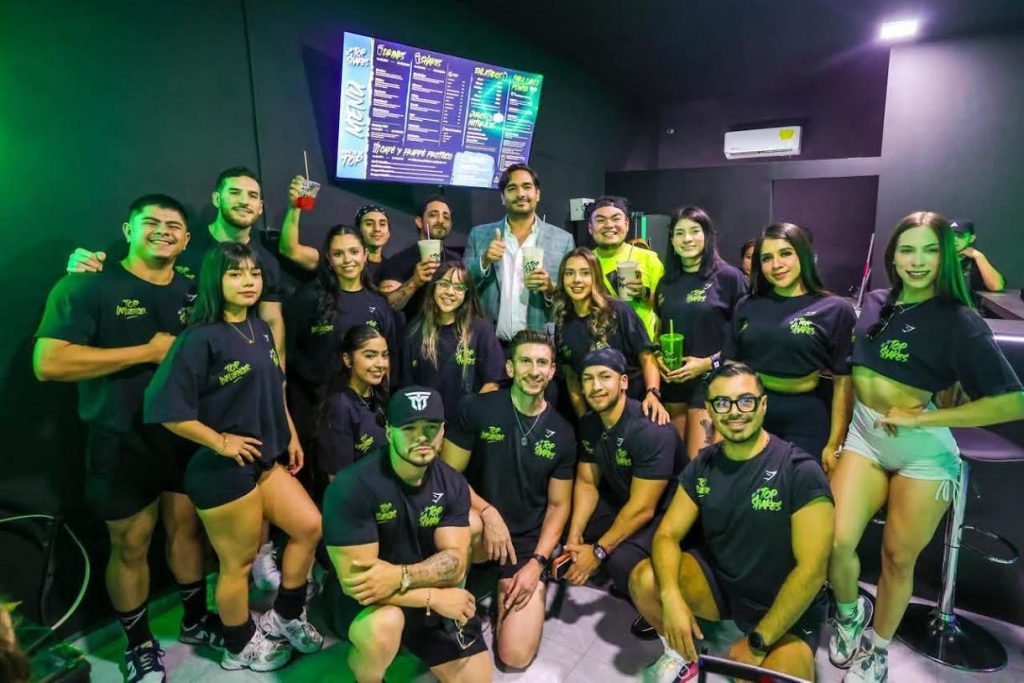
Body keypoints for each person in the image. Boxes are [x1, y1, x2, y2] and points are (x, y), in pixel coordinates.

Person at [827, 212, 1024, 683]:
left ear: (945, 258)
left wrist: (926, 417)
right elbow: (850, 376)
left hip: (921, 450)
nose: (917, 261)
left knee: (898, 558)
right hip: (865, 437)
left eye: (930, 250)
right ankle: (851, 614)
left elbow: (1013, 401)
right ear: (892, 255)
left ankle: (876, 650)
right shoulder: (875, 301)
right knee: (835, 541)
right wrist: (836, 438)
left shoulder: (958, 320)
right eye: (908, 249)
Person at [34, 195, 216, 682]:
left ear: (187, 239)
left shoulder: (195, 290)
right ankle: (139, 645)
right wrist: (145, 352)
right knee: (131, 545)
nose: (163, 231)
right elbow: (48, 363)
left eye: (173, 225)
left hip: (182, 436)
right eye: (150, 222)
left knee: (186, 531)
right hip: (119, 440)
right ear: (128, 230)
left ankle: (196, 620)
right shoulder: (87, 284)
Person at [144, 243, 324, 672]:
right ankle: (238, 644)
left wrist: (290, 434)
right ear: (215, 280)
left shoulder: (259, 328)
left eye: (254, 274)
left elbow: (275, 387)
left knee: (309, 526)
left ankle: (285, 615)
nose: (248, 282)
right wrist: (220, 441)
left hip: (264, 461)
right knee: (237, 564)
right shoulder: (198, 338)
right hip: (221, 471)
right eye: (236, 274)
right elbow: (163, 407)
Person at [632, 363, 834, 683]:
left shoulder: (799, 470)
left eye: (745, 401)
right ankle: (682, 655)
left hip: (786, 607)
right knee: (644, 580)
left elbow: (812, 571)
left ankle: (766, 645)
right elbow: (667, 534)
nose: (734, 412)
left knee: (772, 679)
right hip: (725, 588)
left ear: (763, 405)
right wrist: (670, 597)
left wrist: (757, 643)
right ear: (710, 410)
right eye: (722, 403)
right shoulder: (703, 465)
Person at [323, 386, 492, 682]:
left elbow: (454, 564)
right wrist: (433, 598)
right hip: (367, 603)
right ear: (389, 432)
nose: (422, 437)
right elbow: (359, 585)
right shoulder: (352, 486)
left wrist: (402, 576)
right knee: (385, 626)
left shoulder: (452, 483)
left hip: (417, 586)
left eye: (431, 427)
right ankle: (366, 674)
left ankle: (417, 640)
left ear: (443, 431)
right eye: (409, 428)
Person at [441, 329, 575, 670]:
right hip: (478, 529)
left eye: (542, 363)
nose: (534, 370)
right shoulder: (476, 408)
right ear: (510, 367)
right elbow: (447, 475)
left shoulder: (563, 433)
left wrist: (537, 564)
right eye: (526, 361)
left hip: (524, 543)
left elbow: (559, 506)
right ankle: (453, 608)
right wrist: (487, 512)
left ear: (552, 371)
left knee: (515, 656)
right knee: (466, 523)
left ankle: (504, 597)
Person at [66, 167, 287, 363]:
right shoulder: (177, 242)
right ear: (216, 198)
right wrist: (88, 265)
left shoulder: (266, 260)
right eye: (235, 192)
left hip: (227, 367)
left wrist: (278, 376)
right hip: (160, 359)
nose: (244, 201)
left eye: (252, 195)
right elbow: (128, 268)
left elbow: (272, 320)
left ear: (260, 207)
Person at [723, 222, 856, 473]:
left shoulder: (835, 309)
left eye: (785, 253)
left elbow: (843, 382)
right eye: (767, 258)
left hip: (805, 417)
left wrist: (834, 443)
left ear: (803, 256)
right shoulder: (747, 305)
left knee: (795, 489)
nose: (776, 264)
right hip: (750, 410)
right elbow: (731, 366)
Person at [563, 349, 683, 603]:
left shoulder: (649, 428)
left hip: (666, 513)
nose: (596, 386)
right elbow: (587, 482)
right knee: (571, 525)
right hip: (626, 500)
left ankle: (653, 596)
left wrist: (597, 552)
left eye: (605, 376)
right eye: (588, 379)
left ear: (624, 382)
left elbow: (643, 509)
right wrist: (574, 535)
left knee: (620, 563)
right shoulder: (589, 423)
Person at [284, 225, 398, 481]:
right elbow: (286, 354)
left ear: (365, 255)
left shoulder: (378, 303)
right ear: (328, 259)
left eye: (354, 252)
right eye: (338, 254)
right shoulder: (308, 298)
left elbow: (387, 360)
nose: (347, 260)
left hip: (361, 415)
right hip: (312, 411)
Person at [655, 206, 747, 456]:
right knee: (673, 458)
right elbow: (661, 329)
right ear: (671, 240)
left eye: (694, 231)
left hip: (712, 380)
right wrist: (659, 356)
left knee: (699, 460)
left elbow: (745, 337)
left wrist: (708, 363)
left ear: (707, 235)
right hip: (673, 383)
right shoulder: (666, 283)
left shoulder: (729, 277)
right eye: (679, 233)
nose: (687, 239)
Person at [552, 247, 668, 424]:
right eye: (569, 273)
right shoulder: (562, 321)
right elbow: (571, 377)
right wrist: (584, 420)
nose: (577, 280)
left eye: (585, 273)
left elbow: (647, 357)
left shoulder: (619, 311)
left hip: (635, 404)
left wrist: (653, 394)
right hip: (596, 410)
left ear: (595, 277)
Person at [464, 163, 574, 345]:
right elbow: (462, 284)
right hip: (490, 344)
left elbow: (571, 298)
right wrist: (484, 261)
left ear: (537, 194)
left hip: (539, 346)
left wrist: (549, 289)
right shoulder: (479, 235)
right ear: (502, 197)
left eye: (527, 187)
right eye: (512, 188)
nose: (521, 194)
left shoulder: (563, 240)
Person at [399, 262, 504, 418]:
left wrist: (468, 417)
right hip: (427, 423)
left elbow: (492, 384)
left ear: (467, 294)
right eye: (444, 284)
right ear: (433, 287)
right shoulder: (415, 331)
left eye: (459, 288)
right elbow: (407, 387)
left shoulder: (480, 330)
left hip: (467, 423)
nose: (450, 292)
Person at [277, 177, 392, 284]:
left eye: (382, 224)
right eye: (369, 224)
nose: (377, 229)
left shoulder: (392, 269)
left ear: (388, 232)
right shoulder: (337, 259)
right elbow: (290, 250)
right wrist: (294, 207)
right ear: (357, 230)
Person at [315, 324, 390, 482]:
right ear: (347, 359)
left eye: (384, 355)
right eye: (370, 356)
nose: (381, 364)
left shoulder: (380, 396)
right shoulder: (340, 407)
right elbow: (338, 480)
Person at [586, 196, 664, 341]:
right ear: (590, 227)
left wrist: (644, 293)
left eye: (616, 219)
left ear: (627, 224)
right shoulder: (584, 262)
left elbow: (665, 306)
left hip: (642, 346)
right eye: (601, 220)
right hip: (600, 346)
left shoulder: (649, 258)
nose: (609, 225)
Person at [378, 195, 461, 317]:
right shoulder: (398, 261)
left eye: (446, 217)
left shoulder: (457, 261)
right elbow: (384, 307)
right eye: (433, 215)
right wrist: (414, 282)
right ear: (419, 222)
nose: (441, 220)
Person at [951, 218, 1005, 295]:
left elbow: (996, 287)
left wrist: (979, 256)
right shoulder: (938, 257)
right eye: (950, 235)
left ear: (971, 238)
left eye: (960, 235)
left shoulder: (977, 260)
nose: (954, 239)